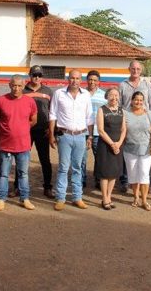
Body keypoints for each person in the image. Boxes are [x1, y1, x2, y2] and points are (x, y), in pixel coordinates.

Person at [49, 69, 94, 211]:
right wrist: (51, 135)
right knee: (63, 167)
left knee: (77, 168)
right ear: (68, 79)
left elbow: (89, 117)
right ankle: (61, 198)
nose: (74, 81)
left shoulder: (86, 95)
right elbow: (52, 115)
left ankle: (77, 197)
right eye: (72, 78)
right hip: (65, 135)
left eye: (77, 78)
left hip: (81, 136)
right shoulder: (59, 94)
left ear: (81, 80)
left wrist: (90, 136)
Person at [0, 75, 38, 212]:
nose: (16, 88)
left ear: (23, 86)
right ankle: (1, 199)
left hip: (23, 145)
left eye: (19, 86)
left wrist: (21, 129)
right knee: (3, 173)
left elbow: (33, 120)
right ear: (9, 85)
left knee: (23, 173)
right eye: (14, 85)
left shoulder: (30, 101)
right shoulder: (1, 100)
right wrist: (7, 130)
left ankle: (25, 198)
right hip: (6, 144)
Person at [118, 60, 151, 193]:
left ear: (141, 70)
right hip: (128, 121)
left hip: (145, 122)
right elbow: (120, 104)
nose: (135, 71)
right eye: (133, 68)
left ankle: (146, 183)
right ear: (129, 69)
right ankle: (126, 181)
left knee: (146, 151)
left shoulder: (147, 85)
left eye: (138, 69)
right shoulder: (122, 84)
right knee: (128, 151)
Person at [21, 65, 54, 199]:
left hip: (43, 131)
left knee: (45, 160)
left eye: (39, 75)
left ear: (42, 76)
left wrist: (51, 129)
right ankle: (18, 187)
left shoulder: (48, 91)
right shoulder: (22, 91)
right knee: (22, 160)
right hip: (25, 131)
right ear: (30, 75)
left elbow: (53, 111)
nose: (36, 77)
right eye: (34, 75)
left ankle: (47, 187)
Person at [124, 91, 151, 211]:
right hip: (129, 148)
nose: (138, 102)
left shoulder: (148, 113)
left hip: (146, 149)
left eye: (141, 100)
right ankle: (135, 197)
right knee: (133, 174)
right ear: (132, 100)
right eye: (136, 100)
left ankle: (144, 200)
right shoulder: (125, 113)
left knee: (144, 174)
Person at [94, 88, 126, 210]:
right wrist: (112, 144)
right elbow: (100, 130)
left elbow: (124, 129)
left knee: (113, 173)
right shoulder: (102, 110)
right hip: (106, 145)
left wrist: (119, 143)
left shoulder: (121, 111)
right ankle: (104, 198)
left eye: (116, 95)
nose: (114, 97)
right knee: (105, 173)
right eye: (111, 95)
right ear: (107, 96)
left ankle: (109, 196)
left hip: (118, 145)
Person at [82, 70, 107, 189]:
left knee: (99, 157)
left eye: (95, 80)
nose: (92, 82)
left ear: (99, 82)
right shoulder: (81, 93)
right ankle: (82, 179)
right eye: (90, 79)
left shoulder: (104, 95)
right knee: (81, 157)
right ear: (87, 80)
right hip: (82, 131)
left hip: (98, 131)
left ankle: (98, 180)